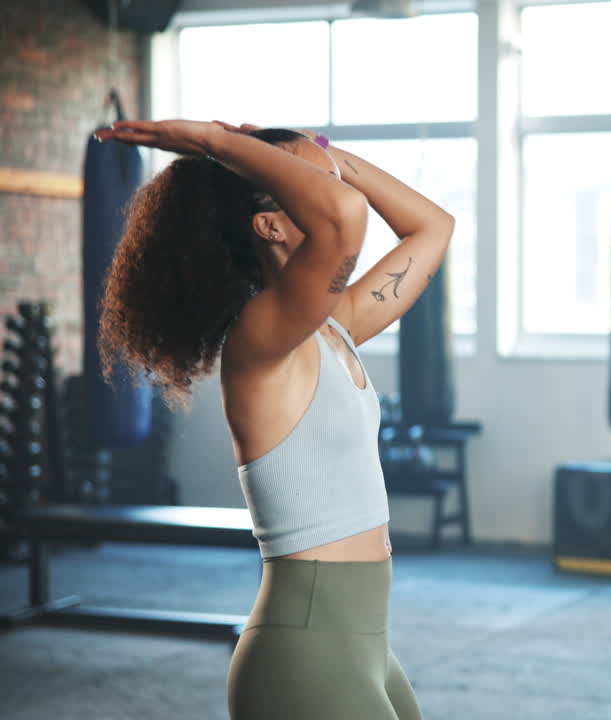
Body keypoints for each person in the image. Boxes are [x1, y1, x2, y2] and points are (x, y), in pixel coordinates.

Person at [94, 118, 454, 720]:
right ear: (269, 223)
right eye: (314, 177)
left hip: (361, 644)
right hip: (305, 651)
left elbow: (433, 227)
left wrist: (318, 153)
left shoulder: (333, 326)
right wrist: (216, 144)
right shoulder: (261, 337)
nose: (340, 185)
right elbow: (343, 216)